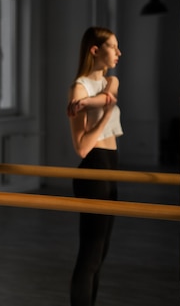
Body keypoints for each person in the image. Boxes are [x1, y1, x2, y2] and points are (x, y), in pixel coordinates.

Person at [66, 26, 123, 306]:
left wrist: (87, 104)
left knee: (101, 254)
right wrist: (102, 118)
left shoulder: (110, 81)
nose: (119, 52)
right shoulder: (78, 86)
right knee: (90, 254)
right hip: (94, 168)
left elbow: (108, 96)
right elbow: (82, 147)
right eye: (113, 47)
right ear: (95, 50)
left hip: (111, 166)